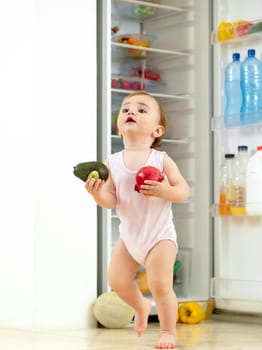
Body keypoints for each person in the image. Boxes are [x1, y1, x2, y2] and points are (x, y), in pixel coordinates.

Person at [85, 91, 189, 349]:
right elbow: (111, 200)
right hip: (130, 237)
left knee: (159, 284)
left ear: (157, 130)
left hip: (159, 237)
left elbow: (183, 191)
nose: (131, 112)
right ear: (119, 127)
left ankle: (167, 331)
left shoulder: (161, 160)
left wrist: (165, 191)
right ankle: (140, 305)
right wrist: (98, 194)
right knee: (117, 280)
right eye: (126, 109)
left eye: (142, 110)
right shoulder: (113, 162)